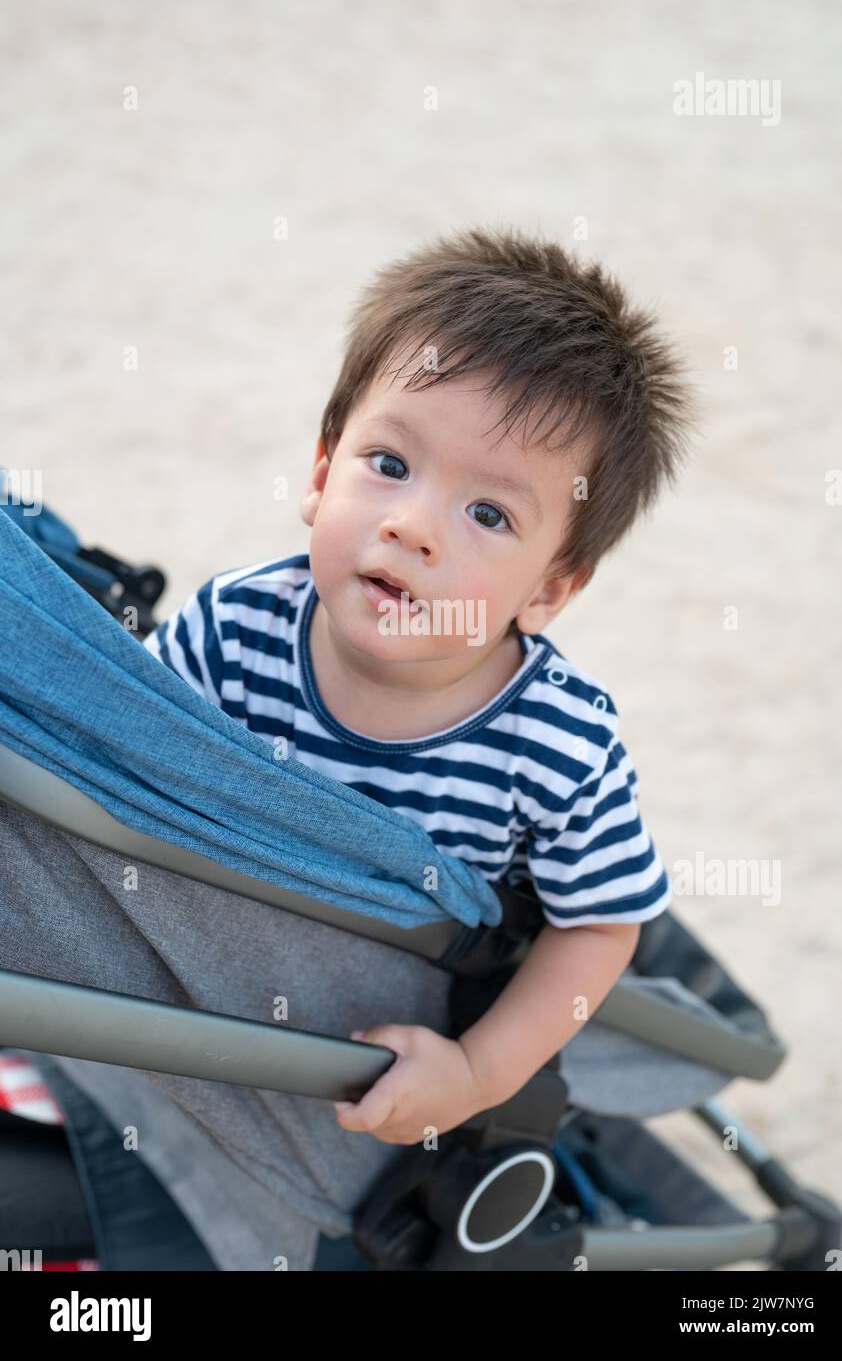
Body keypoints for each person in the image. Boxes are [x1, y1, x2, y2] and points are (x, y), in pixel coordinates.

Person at [143, 224, 695, 1149]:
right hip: (206, 990)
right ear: (322, 474)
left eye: (488, 512)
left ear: (549, 590)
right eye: (389, 465)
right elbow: (107, 768)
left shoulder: (558, 745)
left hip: (402, 1027)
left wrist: (478, 1072)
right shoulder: (232, 626)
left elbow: (598, 929)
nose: (413, 527)